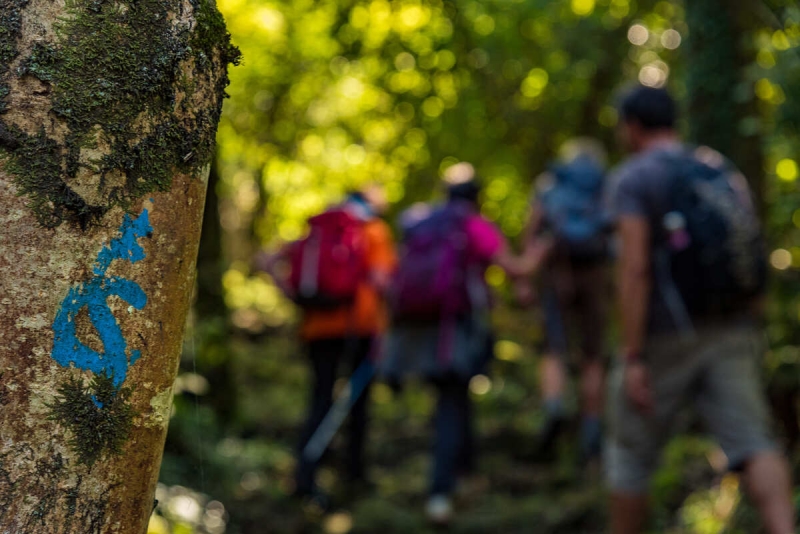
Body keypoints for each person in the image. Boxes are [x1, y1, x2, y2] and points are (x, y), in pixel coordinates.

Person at [606, 84, 795, 534]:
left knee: (630, 455)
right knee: (753, 442)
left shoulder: (634, 178)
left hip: (664, 335)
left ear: (632, 126)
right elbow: (750, 247)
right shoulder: (717, 168)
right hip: (733, 327)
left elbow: (634, 270)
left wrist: (632, 355)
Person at [382, 163, 550, 525]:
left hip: (421, 333)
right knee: (451, 403)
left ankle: (463, 475)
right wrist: (541, 249)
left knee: (454, 401)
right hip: (455, 333)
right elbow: (515, 268)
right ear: (477, 196)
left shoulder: (423, 223)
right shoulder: (474, 226)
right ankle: (440, 493)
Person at [257, 185, 397, 508]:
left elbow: (266, 260)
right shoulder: (373, 230)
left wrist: (295, 298)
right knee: (357, 402)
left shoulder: (318, 230)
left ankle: (306, 474)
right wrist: (388, 324)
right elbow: (381, 281)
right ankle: (354, 474)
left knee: (320, 398)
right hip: (359, 327)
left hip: (316, 328)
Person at [520, 139, 611, 466]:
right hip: (595, 274)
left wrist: (525, 278)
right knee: (593, 354)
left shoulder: (550, 183)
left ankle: (554, 407)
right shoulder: (603, 183)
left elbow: (532, 230)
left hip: (556, 272)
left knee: (553, 348)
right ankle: (591, 428)